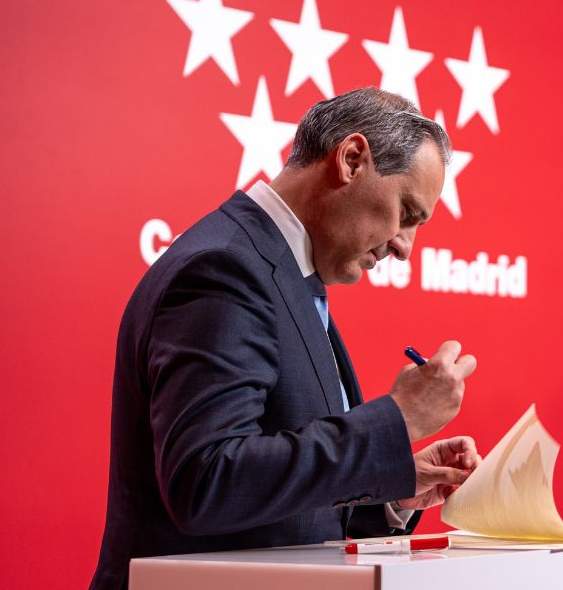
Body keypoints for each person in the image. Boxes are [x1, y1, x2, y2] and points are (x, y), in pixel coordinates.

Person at [91, 88, 480, 589]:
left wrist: (391, 493)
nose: (405, 247)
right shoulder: (225, 269)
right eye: (406, 212)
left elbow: (279, 507)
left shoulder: (284, 273)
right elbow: (207, 482)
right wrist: (396, 420)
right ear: (352, 159)